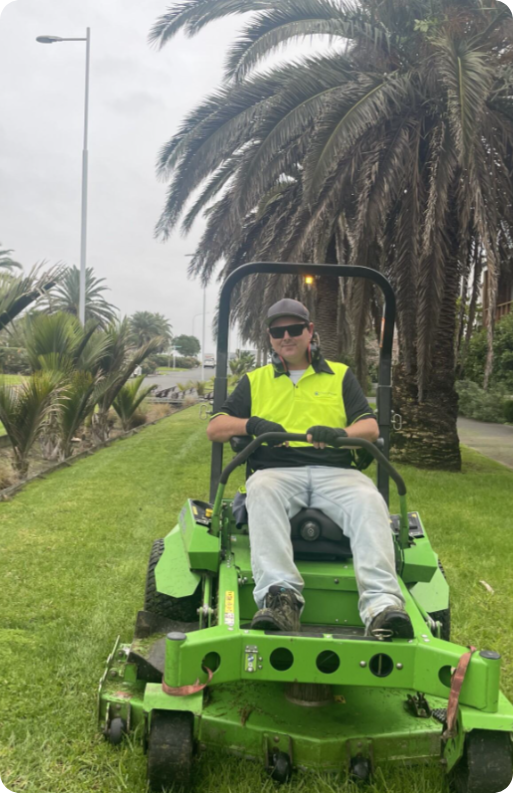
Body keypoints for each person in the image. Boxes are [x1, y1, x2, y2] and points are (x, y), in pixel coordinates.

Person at [207, 298, 413, 639]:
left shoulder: (340, 375)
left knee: (369, 498)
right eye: (278, 331)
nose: (286, 336)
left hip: (336, 472)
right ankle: (281, 598)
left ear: (310, 331)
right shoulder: (255, 380)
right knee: (261, 489)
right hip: (275, 473)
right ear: (270, 337)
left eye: (294, 329)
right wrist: (251, 424)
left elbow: (369, 427)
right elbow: (216, 428)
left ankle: (382, 604)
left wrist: (339, 434)